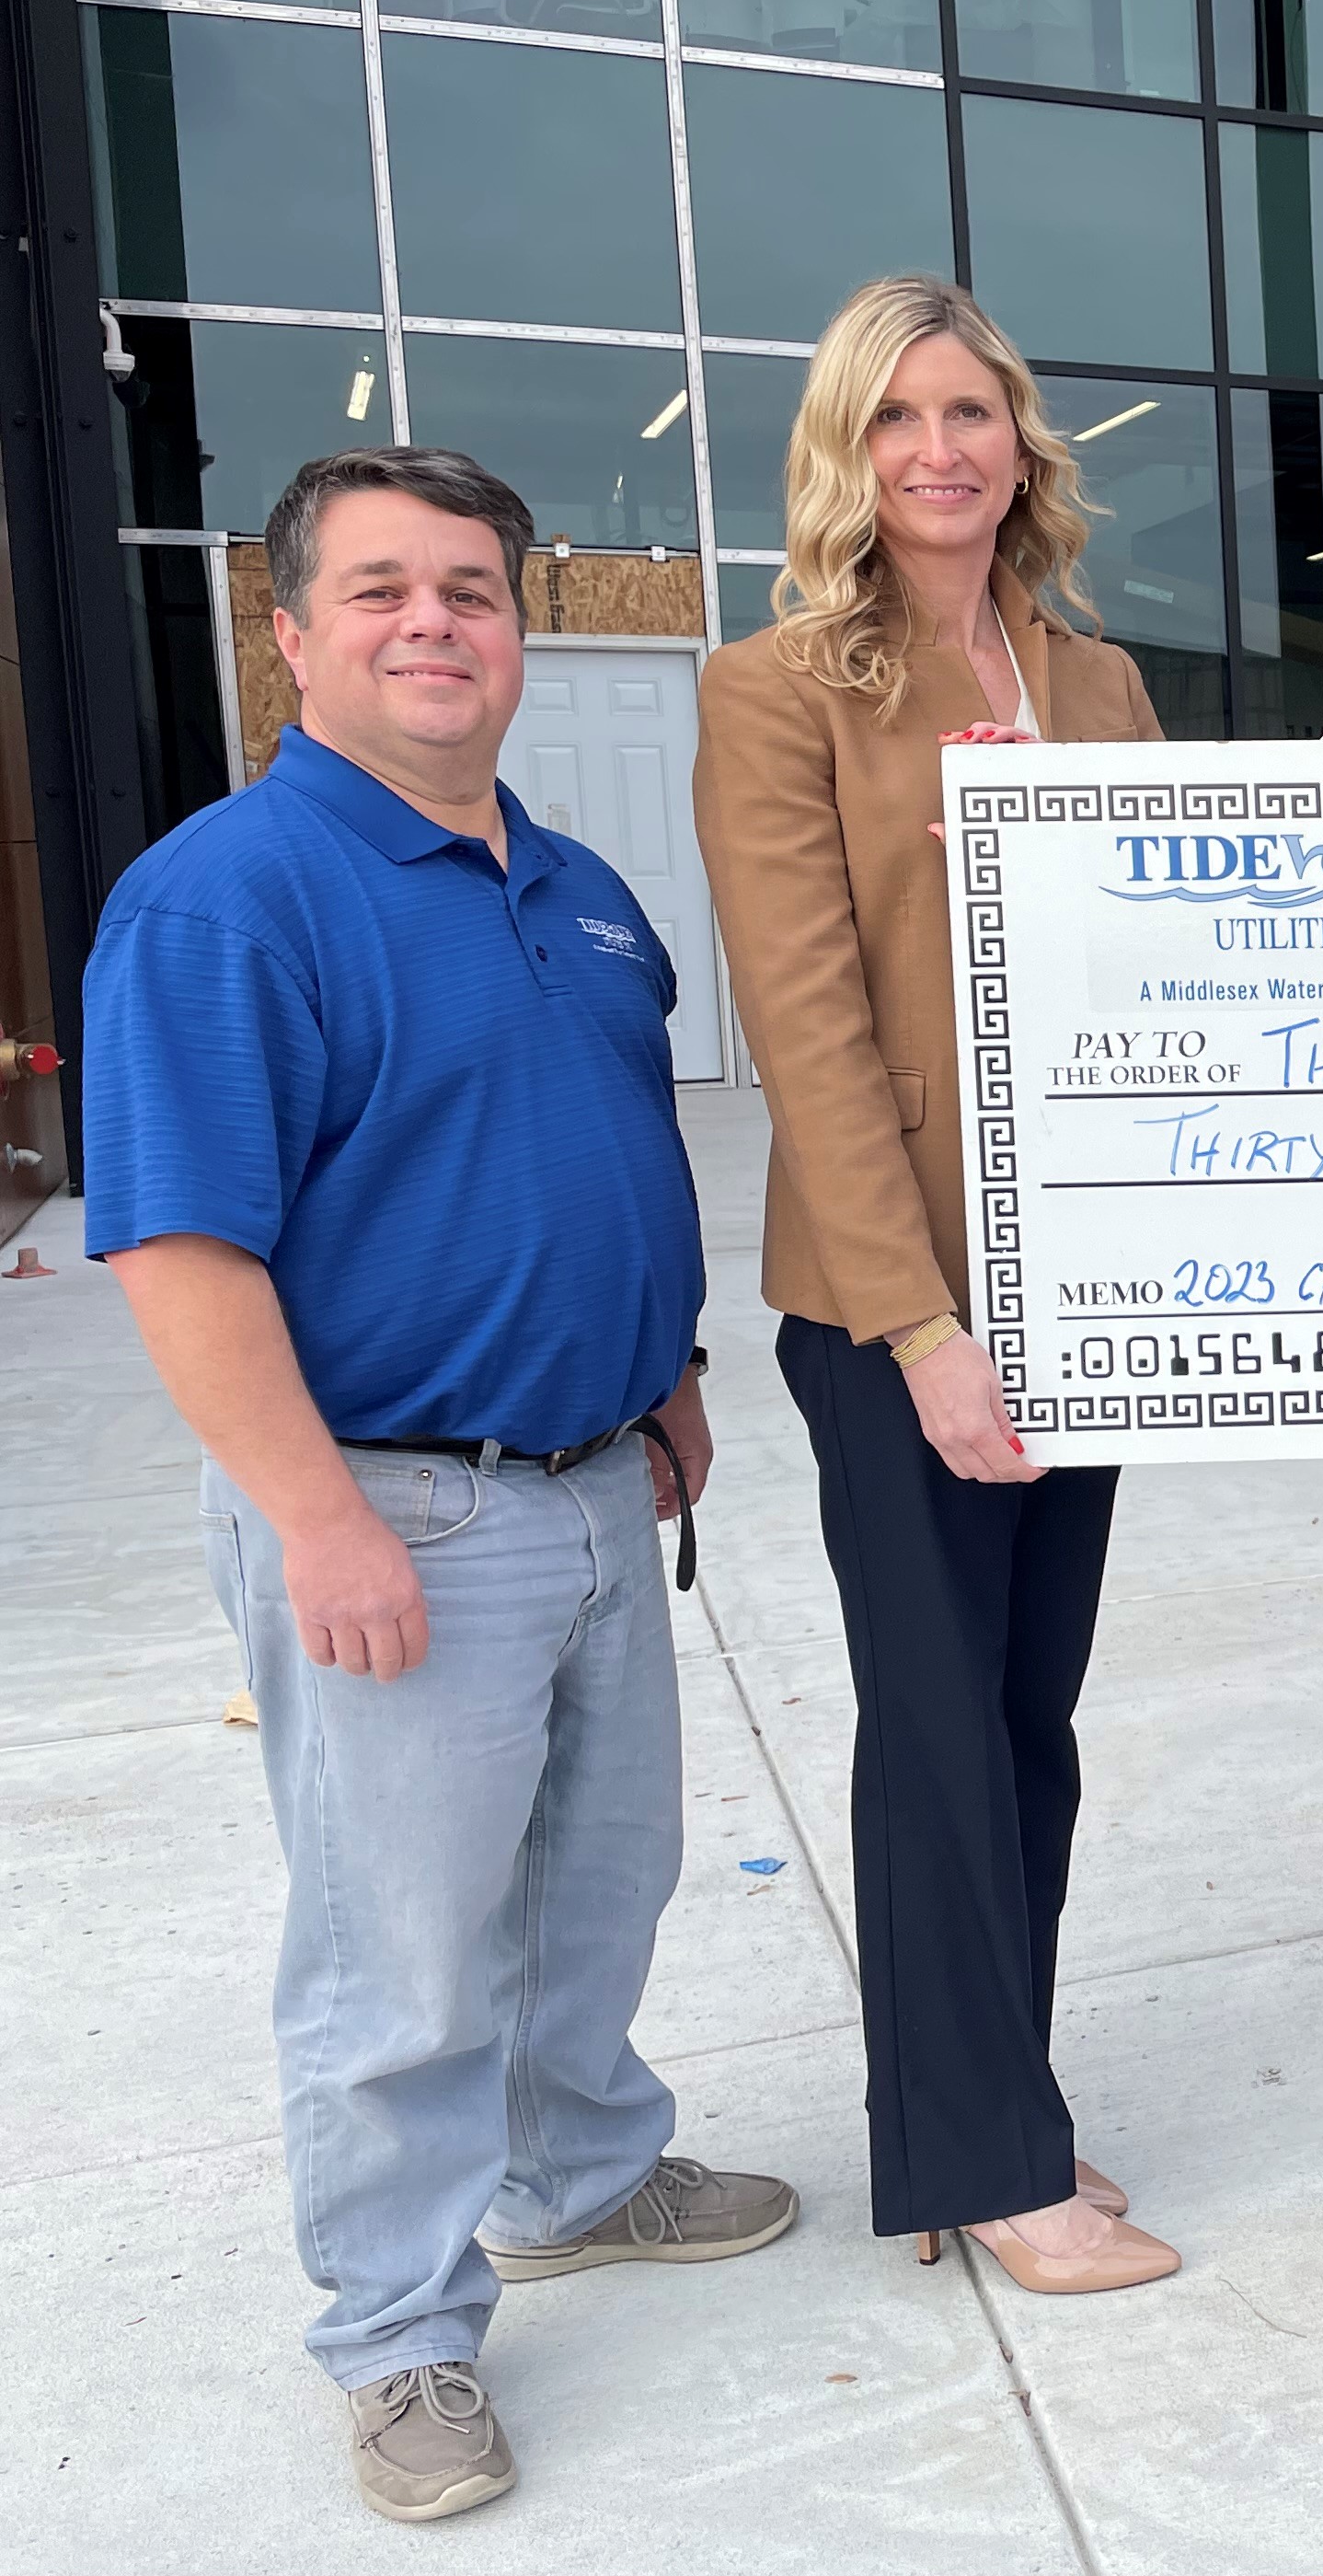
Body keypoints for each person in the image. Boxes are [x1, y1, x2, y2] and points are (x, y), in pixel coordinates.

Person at [82, 446, 791, 2525]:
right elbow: (183, 1252)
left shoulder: (571, 880)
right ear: (290, 634)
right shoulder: (225, 896)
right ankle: (398, 2334)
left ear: (519, 624)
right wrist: (315, 1517)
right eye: (379, 589)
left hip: (588, 1490)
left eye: (470, 588)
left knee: (596, 1883)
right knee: (400, 1952)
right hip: (395, 1506)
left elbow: (592, 1148)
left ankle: (576, 2178)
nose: (432, 624)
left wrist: (659, 1371)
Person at [696, 277, 1176, 2295]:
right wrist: (919, 1334)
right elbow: (808, 1037)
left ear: (1019, 439)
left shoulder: (1100, 679)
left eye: (970, 411)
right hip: (904, 1309)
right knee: (936, 1730)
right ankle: (985, 2164)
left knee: (1026, 1720)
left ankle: (1004, 2108)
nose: (940, 450)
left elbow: (1178, 975)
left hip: (1087, 1293)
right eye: (896, 420)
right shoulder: (779, 686)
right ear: (847, 453)